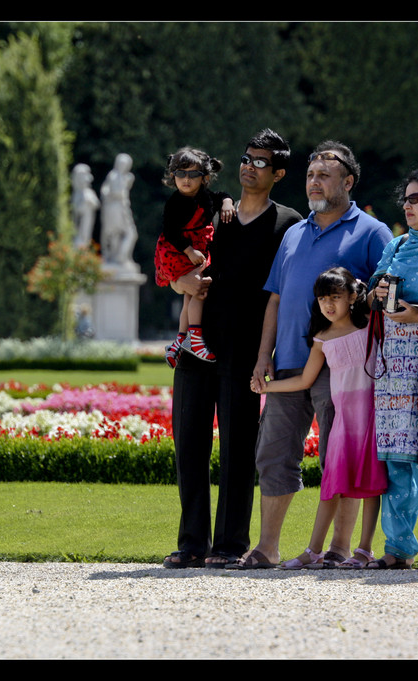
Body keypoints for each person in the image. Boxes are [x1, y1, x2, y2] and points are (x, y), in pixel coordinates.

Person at [234, 141, 391, 570]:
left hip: (341, 368)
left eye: (324, 174)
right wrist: (263, 356)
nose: (314, 181)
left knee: (338, 454)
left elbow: (386, 297)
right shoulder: (293, 233)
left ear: (348, 181)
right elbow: (275, 300)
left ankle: (339, 549)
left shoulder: (373, 233)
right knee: (273, 452)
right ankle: (267, 548)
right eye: (310, 174)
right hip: (287, 361)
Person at [162, 129, 302, 569]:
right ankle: (191, 543)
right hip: (198, 345)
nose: (249, 166)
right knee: (188, 443)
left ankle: (229, 545)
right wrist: (174, 280)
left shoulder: (288, 224)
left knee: (239, 446)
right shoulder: (211, 214)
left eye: (260, 162)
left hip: (246, 347)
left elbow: (285, 293)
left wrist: (270, 354)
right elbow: (171, 252)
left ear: (278, 173)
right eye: (246, 158)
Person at [250, 268, 387, 570]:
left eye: (335, 298)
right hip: (343, 423)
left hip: (372, 420)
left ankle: (364, 550)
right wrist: (267, 386)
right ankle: (314, 550)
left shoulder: (371, 326)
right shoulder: (321, 339)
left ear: (352, 296)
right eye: (323, 299)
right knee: (332, 483)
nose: (328, 305)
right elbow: (304, 380)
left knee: (371, 484)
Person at [366, 167, 418, 569]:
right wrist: (378, 291)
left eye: (417, 198)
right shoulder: (398, 244)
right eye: (406, 199)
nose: (408, 205)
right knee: (394, 457)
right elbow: (369, 295)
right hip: (390, 363)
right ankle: (398, 547)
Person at [153, 147, 235, 365]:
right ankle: (195, 339)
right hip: (177, 251)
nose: (186, 180)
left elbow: (221, 196)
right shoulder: (175, 202)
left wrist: (227, 202)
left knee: (189, 296)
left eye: (193, 175)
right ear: (173, 176)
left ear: (205, 178)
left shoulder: (205, 196)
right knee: (198, 291)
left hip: (190, 251)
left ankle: (179, 341)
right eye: (180, 174)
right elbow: (170, 232)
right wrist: (189, 250)